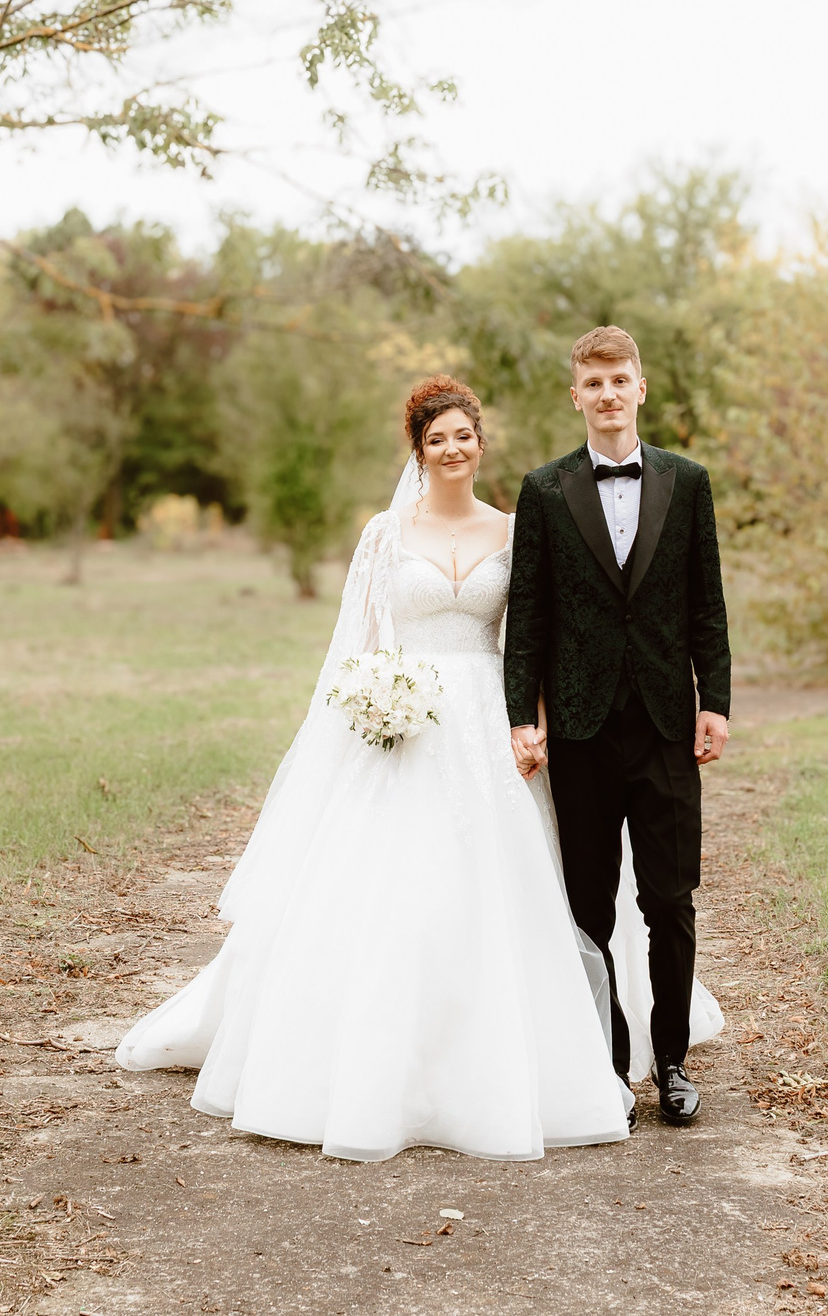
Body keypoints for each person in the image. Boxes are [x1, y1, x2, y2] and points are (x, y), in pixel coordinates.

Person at [116, 377, 658, 1161]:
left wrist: (531, 721)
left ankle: (521, 1054)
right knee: (391, 887)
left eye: (463, 436)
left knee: (501, 885)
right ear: (419, 449)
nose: (452, 449)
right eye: (436, 439)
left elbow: (533, 636)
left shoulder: (516, 530)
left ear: (481, 442)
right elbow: (361, 642)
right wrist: (374, 704)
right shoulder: (384, 534)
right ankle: (365, 1063)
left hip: (486, 725)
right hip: (405, 724)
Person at [504, 326, 732, 1127]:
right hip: (579, 727)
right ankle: (605, 1065)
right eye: (592, 383)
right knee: (588, 904)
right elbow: (526, 617)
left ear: (641, 387)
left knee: (670, 899)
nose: (607, 394)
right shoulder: (542, 492)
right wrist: (518, 718)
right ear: (576, 395)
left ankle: (670, 1062)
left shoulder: (688, 482)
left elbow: (707, 602)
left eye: (619, 380)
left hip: (668, 724)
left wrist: (716, 702)